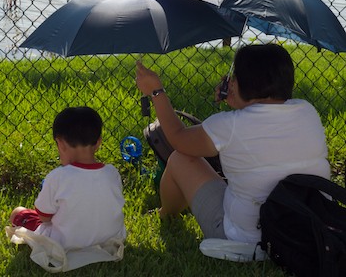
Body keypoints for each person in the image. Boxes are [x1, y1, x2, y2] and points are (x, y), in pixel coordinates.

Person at [136, 44, 330, 245]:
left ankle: (166, 214)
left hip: (246, 239)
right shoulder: (307, 111)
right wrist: (242, 101)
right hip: (308, 232)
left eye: (235, 78)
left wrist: (156, 91)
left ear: (242, 84)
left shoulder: (230, 125)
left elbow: (178, 139)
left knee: (179, 158)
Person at [10, 106, 126, 250]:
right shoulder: (112, 173)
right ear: (98, 142)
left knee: (18, 212)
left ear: (61, 143)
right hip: (111, 238)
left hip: (65, 243)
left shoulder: (57, 177)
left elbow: (44, 217)